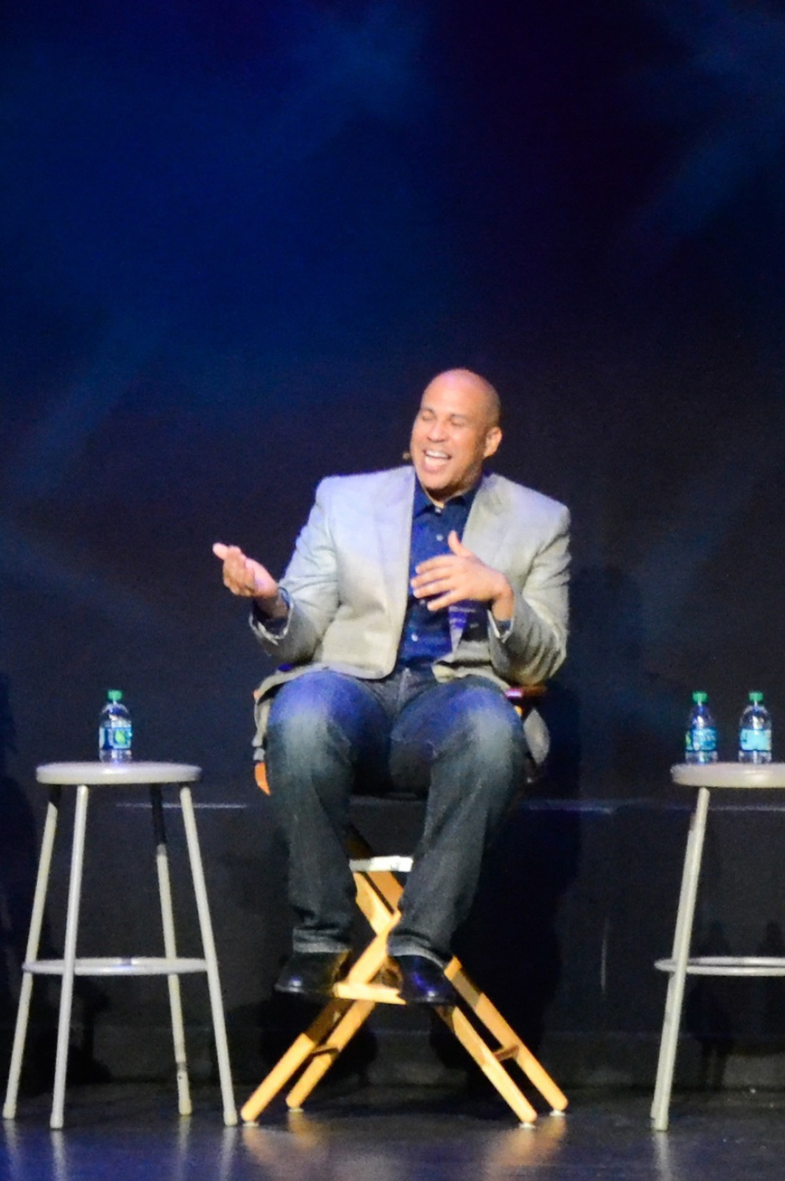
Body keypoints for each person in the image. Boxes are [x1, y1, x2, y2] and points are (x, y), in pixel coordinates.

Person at [213, 369, 569, 1006]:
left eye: (455, 422)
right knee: (301, 713)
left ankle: (420, 944)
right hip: (356, 692)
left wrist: (500, 595)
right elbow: (299, 635)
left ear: (490, 441)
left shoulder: (540, 521)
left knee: (494, 731)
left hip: (452, 700)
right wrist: (270, 600)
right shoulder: (345, 499)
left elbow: (541, 664)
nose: (434, 434)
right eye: (427, 416)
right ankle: (321, 937)